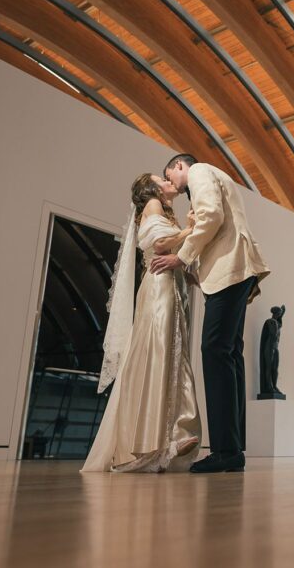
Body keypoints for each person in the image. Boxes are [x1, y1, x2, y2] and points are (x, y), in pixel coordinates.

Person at [151, 153, 270, 474]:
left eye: (170, 175)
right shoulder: (210, 177)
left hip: (230, 270)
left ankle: (225, 450)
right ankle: (231, 449)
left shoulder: (200, 171)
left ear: (179, 166)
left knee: (215, 352)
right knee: (229, 355)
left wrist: (182, 258)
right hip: (234, 270)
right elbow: (214, 221)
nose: (173, 184)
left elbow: (212, 216)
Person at [82, 174, 202, 473]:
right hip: (160, 287)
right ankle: (157, 443)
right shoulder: (152, 205)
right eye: (161, 178)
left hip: (168, 285)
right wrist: (189, 230)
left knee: (168, 355)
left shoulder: (161, 210)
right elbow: (159, 243)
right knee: (161, 354)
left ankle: (161, 440)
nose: (167, 180)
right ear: (151, 189)